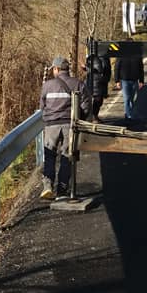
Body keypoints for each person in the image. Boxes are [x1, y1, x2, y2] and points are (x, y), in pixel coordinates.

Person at [39, 56, 90, 200]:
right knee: (67, 156)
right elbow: (86, 105)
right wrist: (81, 120)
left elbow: (42, 106)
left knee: (50, 156)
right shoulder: (78, 84)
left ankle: (48, 186)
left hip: (51, 126)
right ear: (67, 69)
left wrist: (48, 117)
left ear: (56, 69)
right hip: (70, 125)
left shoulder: (47, 85)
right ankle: (62, 188)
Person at [114, 44, 145, 122]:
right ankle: (129, 116)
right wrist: (117, 80)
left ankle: (130, 113)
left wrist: (141, 80)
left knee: (132, 98)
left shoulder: (137, 55)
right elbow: (117, 67)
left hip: (134, 80)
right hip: (124, 80)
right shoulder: (121, 55)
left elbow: (141, 68)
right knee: (127, 98)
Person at [84, 53, 112, 122]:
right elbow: (98, 70)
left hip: (98, 82)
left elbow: (100, 70)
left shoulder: (101, 58)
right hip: (95, 83)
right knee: (96, 100)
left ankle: (94, 116)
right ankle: (93, 116)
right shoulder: (95, 58)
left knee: (98, 101)